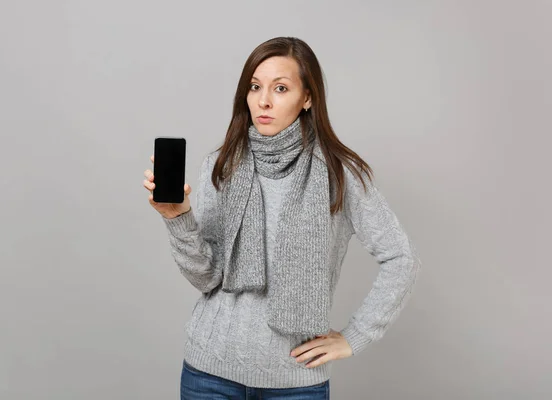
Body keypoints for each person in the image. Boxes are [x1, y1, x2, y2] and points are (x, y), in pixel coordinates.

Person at [143, 36, 421, 399]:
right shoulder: (222, 165)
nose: (264, 100)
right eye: (255, 87)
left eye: (281, 88)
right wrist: (178, 218)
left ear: (307, 98)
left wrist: (355, 337)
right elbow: (207, 275)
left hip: (294, 383)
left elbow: (401, 258)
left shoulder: (340, 173)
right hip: (209, 373)